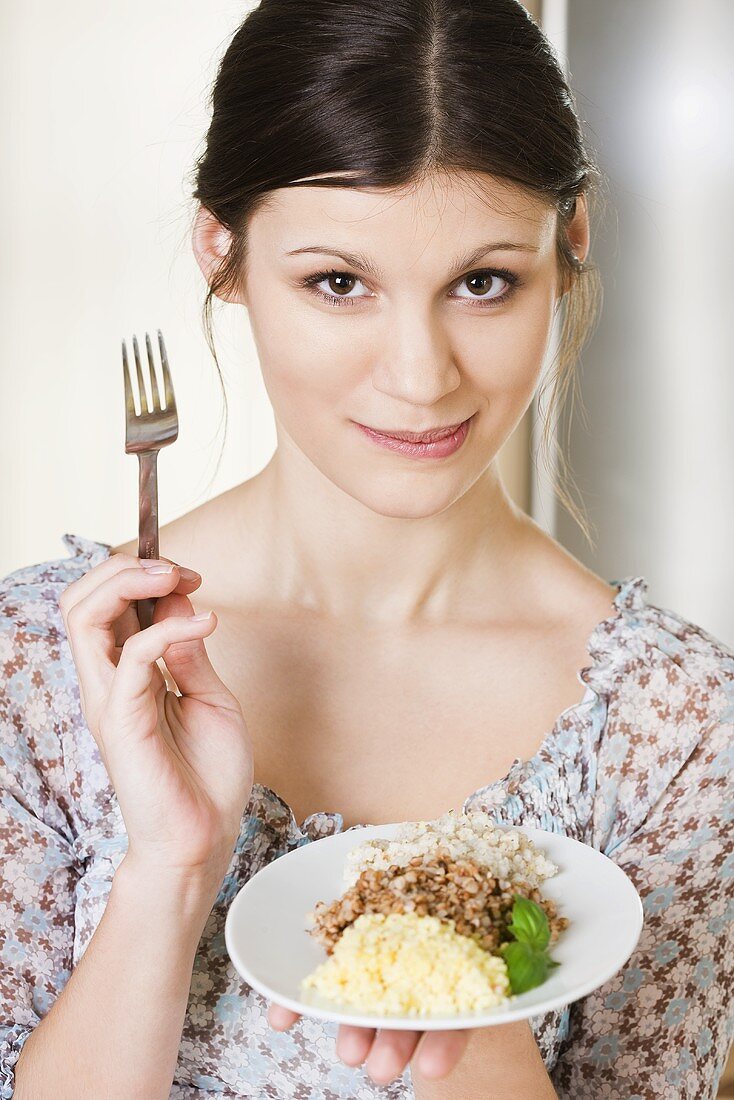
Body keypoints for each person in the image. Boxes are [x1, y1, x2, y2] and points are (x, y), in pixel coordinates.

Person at [1, 0, 732, 1097]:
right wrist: (169, 867)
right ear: (223, 252)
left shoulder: (675, 723)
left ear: (568, 243)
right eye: (337, 282)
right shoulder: (48, 661)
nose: (418, 375)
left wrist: (459, 1008)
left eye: (481, 282)